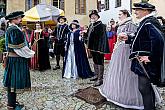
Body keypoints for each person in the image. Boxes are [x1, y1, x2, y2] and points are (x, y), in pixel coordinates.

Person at [120, 2, 164, 109]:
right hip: (142, 60)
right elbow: (142, 39)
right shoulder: (145, 22)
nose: (135, 12)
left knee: (144, 88)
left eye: (137, 10)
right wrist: (128, 39)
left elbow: (159, 41)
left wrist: (150, 57)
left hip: (145, 62)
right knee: (146, 88)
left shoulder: (149, 23)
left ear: (146, 11)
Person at [98, 9, 144, 109]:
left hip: (126, 50)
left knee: (127, 72)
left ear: (125, 14)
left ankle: (130, 97)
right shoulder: (121, 24)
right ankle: (117, 94)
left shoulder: (130, 23)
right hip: (119, 50)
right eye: (118, 14)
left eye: (120, 14)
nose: (118, 16)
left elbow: (134, 35)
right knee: (118, 72)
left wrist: (126, 36)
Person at [3, 11, 35, 110]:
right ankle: (11, 105)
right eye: (19, 18)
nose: (21, 19)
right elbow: (18, 47)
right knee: (14, 81)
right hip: (16, 60)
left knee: (12, 82)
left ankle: (12, 102)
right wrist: (30, 53)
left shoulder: (11, 28)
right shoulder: (14, 30)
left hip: (13, 59)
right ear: (14, 19)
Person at [87, 10, 109, 86]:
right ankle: (96, 75)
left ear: (97, 17)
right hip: (92, 47)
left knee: (100, 62)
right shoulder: (91, 25)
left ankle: (100, 79)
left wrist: (101, 49)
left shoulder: (101, 25)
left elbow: (103, 38)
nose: (92, 17)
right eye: (91, 16)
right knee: (95, 61)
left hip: (99, 48)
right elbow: (88, 35)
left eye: (94, 16)